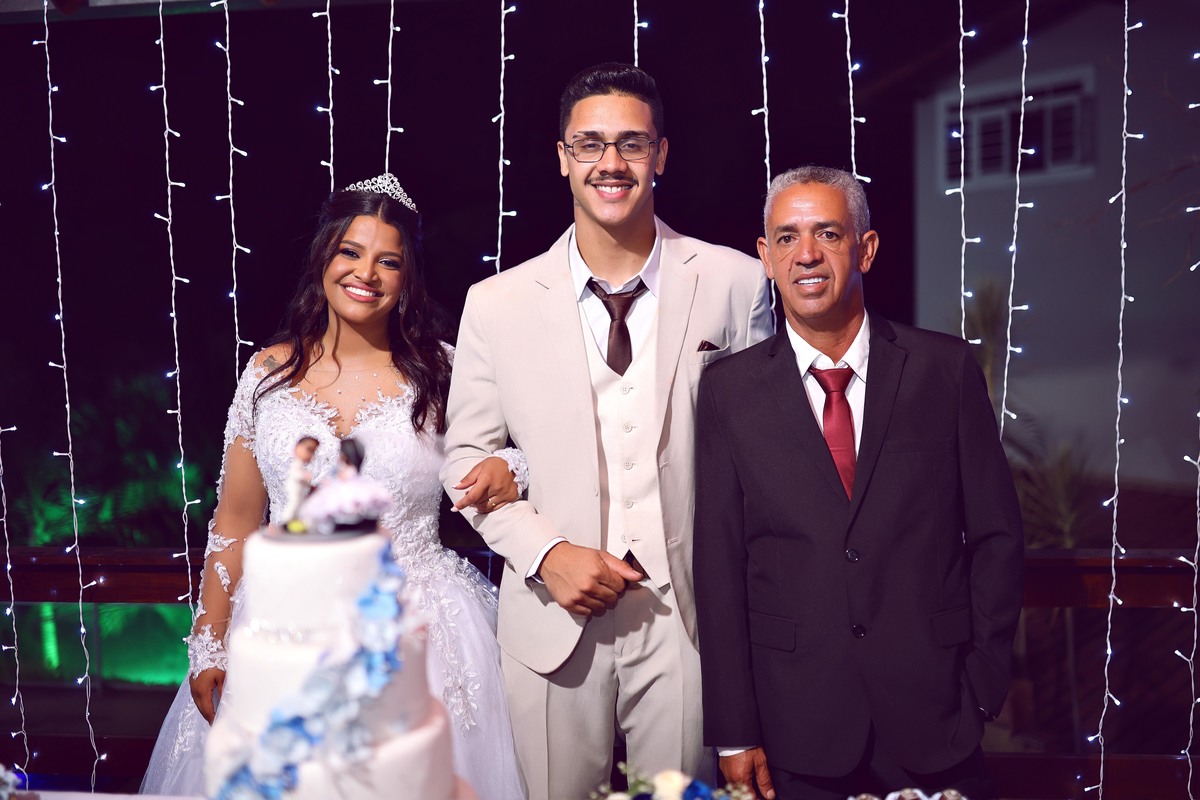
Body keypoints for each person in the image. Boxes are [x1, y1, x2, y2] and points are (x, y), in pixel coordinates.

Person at [440, 63, 774, 799]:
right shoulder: (496, 303)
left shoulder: (733, 282)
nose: (610, 163)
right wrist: (547, 553)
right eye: (590, 144)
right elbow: (466, 458)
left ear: (661, 154)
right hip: (549, 614)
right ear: (562, 157)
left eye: (631, 143)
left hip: (686, 619)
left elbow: (761, 453)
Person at [141, 174, 526, 799]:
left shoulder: (444, 370)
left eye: (388, 261)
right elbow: (234, 520)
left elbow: (519, 451)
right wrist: (208, 642)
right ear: (324, 256)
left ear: (407, 278)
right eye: (350, 251)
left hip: (417, 633)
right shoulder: (268, 372)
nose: (365, 273)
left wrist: (513, 468)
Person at [692, 166, 1025, 800]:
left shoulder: (944, 370)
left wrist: (983, 683)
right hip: (793, 725)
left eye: (827, 234)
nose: (806, 254)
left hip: (937, 716)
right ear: (765, 256)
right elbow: (719, 566)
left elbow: (997, 537)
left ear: (865, 249)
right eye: (786, 238)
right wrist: (734, 732)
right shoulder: (728, 392)